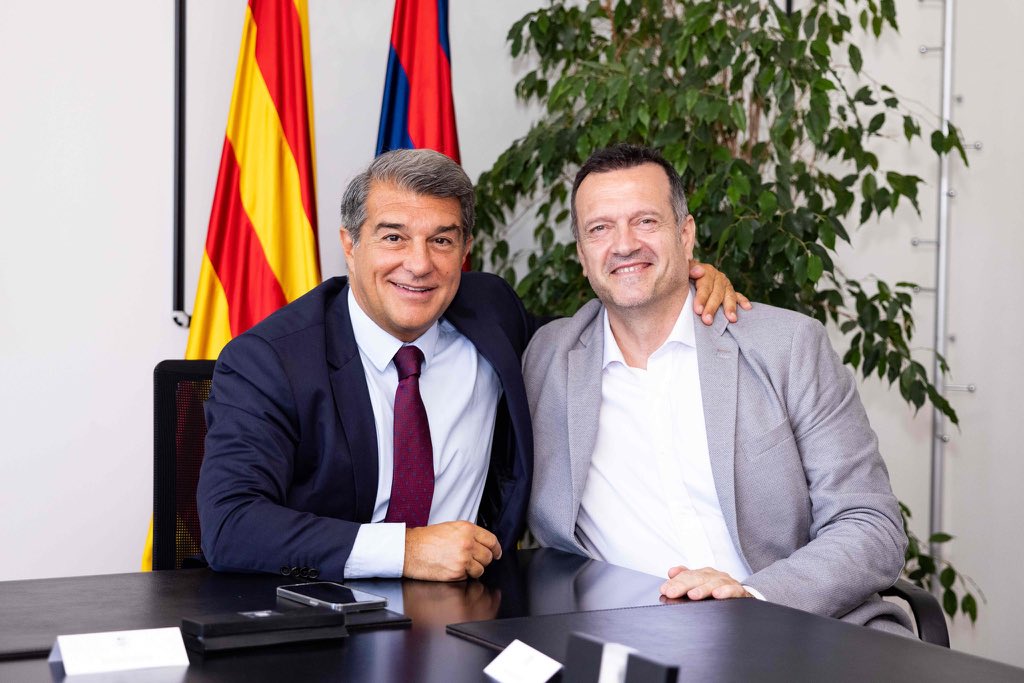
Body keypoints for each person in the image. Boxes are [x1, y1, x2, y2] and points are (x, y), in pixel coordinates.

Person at [197, 148, 740, 582]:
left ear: (465, 252)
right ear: (349, 244)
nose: (419, 262)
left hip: (477, 614)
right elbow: (231, 526)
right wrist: (405, 550)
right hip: (321, 621)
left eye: (441, 240)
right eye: (393, 237)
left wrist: (679, 282)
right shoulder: (269, 362)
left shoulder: (493, 316)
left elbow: (606, 328)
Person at [524, 144, 913, 633]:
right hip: (628, 643)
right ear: (582, 256)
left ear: (686, 236)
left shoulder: (786, 347)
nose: (624, 244)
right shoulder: (544, 358)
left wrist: (752, 597)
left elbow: (870, 526)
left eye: (646, 221)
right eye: (600, 228)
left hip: (793, 631)